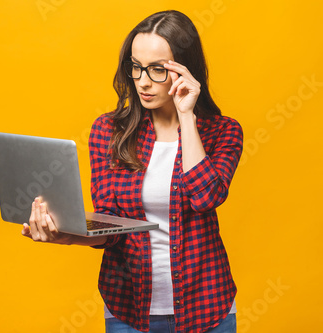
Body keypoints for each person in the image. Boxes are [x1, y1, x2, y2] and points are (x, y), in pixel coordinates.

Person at [21, 10, 243, 333]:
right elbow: (112, 227)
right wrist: (64, 235)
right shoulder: (108, 131)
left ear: (184, 70)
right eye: (136, 67)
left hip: (207, 308)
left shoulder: (222, 132)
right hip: (129, 310)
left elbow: (205, 196)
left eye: (157, 70)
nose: (142, 81)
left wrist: (187, 117)